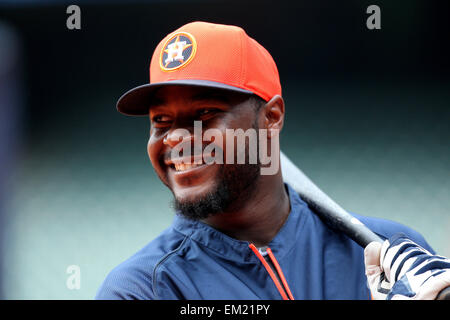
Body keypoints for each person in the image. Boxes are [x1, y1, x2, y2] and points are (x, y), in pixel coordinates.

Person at [95, 21, 450, 300]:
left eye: (205, 112)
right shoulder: (144, 290)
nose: (175, 137)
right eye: (161, 121)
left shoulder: (387, 249)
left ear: (272, 117)